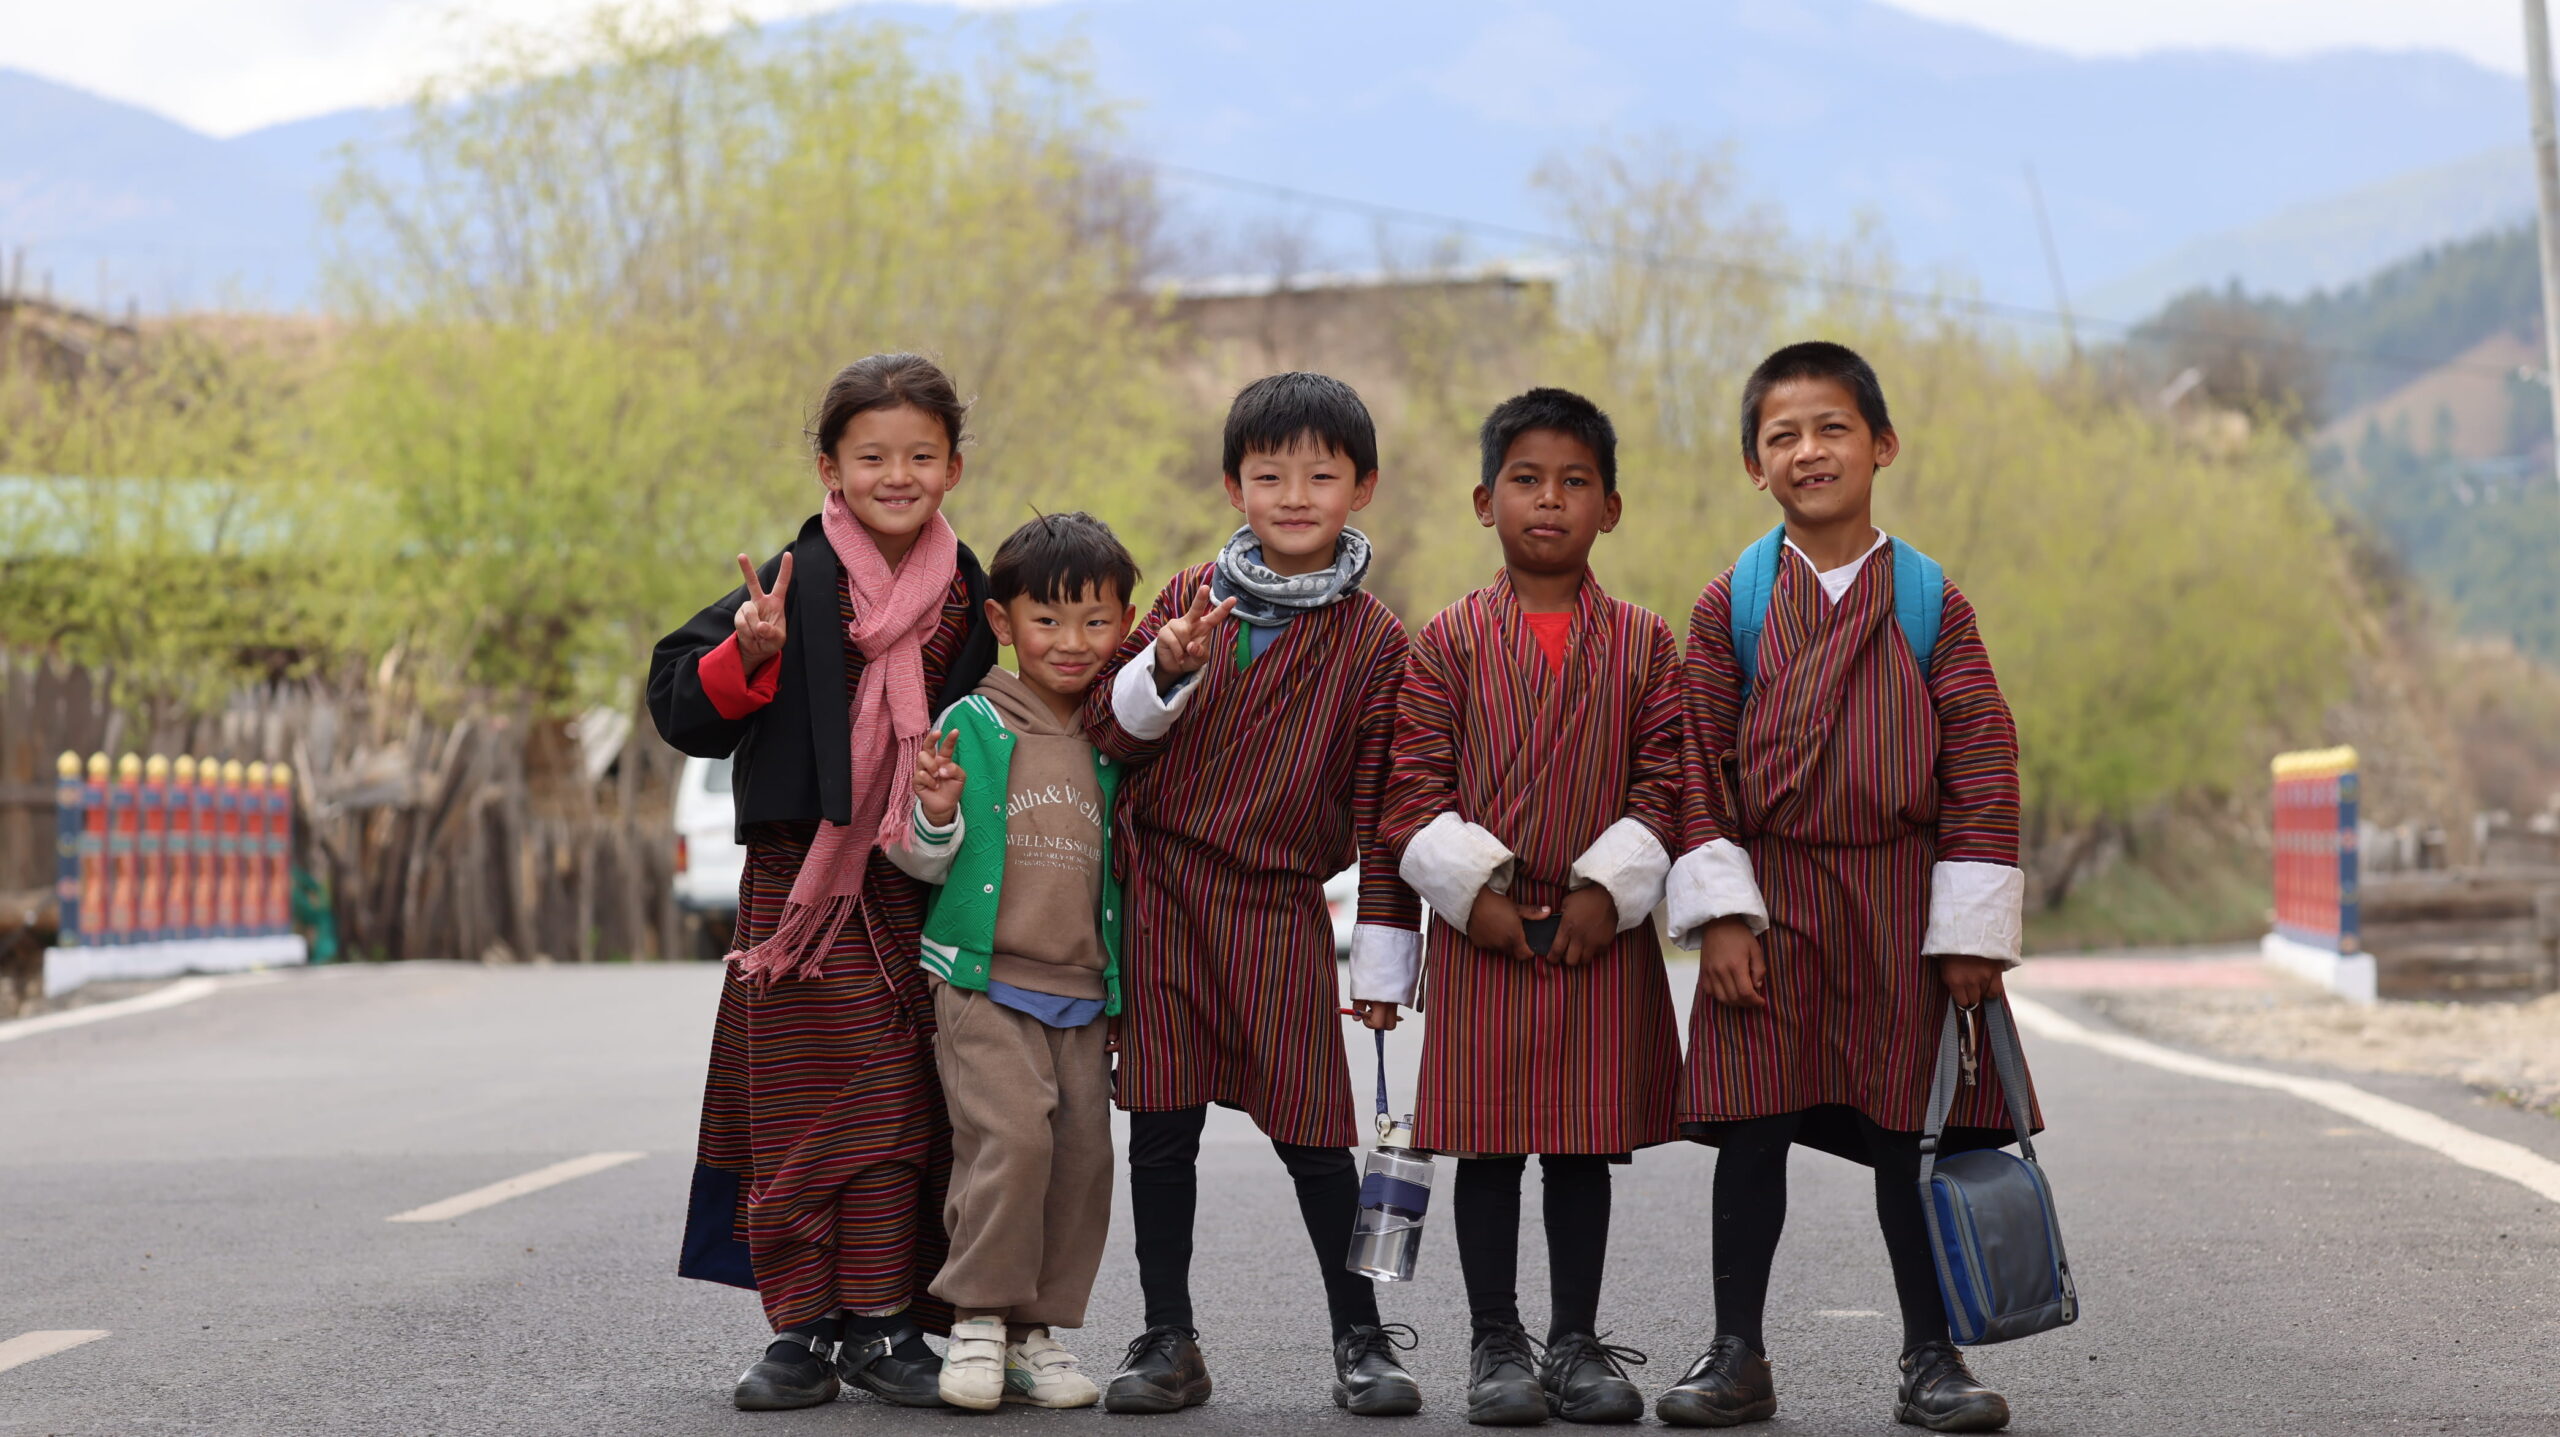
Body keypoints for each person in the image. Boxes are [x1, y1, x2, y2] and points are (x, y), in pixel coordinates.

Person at [1656, 341, 2033, 1433]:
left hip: (1900, 900)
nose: (1808, 451)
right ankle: (1736, 1354)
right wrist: (1722, 914)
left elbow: (1980, 758)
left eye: (1831, 428)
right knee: (1753, 1123)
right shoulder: (1732, 603)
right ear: (1754, 465)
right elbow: (1695, 762)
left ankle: (1931, 1358)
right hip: (1770, 899)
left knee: (1910, 1131)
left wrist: (1970, 929)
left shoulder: (1926, 598)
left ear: (1882, 445)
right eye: (1782, 436)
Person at [646, 353, 999, 1412]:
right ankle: (799, 1330)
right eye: (871, 456)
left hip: (911, 876)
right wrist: (747, 655)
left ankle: (882, 1324)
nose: (897, 475)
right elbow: (678, 704)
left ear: (954, 468)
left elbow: (1014, 708)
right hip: (798, 893)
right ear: (829, 469)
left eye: (920, 456)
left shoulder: (969, 591)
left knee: (899, 1108)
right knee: (801, 1113)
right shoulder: (794, 581)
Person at [1081, 372, 1427, 1417]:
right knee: (1161, 1126)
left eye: (1320, 476)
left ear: (1362, 488)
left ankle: (1361, 1338)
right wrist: (1165, 672)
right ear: (1234, 486)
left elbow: (1385, 811)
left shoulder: (1376, 641)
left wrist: (1382, 960)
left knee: (1315, 1133)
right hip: (1164, 893)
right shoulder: (1190, 596)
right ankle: (1167, 1336)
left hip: (1277, 905)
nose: (1293, 496)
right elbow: (1107, 732)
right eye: (1269, 475)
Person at [1379, 387, 1685, 1427]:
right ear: (1485, 501)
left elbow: (1666, 782)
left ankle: (1576, 1342)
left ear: (1610, 507)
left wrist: (1608, 890)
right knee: (1491, 1148)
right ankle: (1495, 1342)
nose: (1548, 500)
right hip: (1488, 933)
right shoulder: (1447, 641)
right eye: (1525, 480)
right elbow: (1412, 793)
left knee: (1582, 1147)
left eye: (1574, 482)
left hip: (1601, 931)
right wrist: (1477, 899)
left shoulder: (1645, 644)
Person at [885, 512, 1138, 1411]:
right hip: (982, 982)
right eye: (1048, 620)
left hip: (1083, 990)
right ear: (1002, 621)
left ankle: (1036, 1332)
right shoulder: (973, 722)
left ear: (1127, 622)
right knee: (1013, 1141)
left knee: (1080, 1158)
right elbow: (917, 860)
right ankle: (978, 1318)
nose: (1072, 642)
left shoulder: (1116, 737)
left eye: (1096, 621)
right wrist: (936, 811)